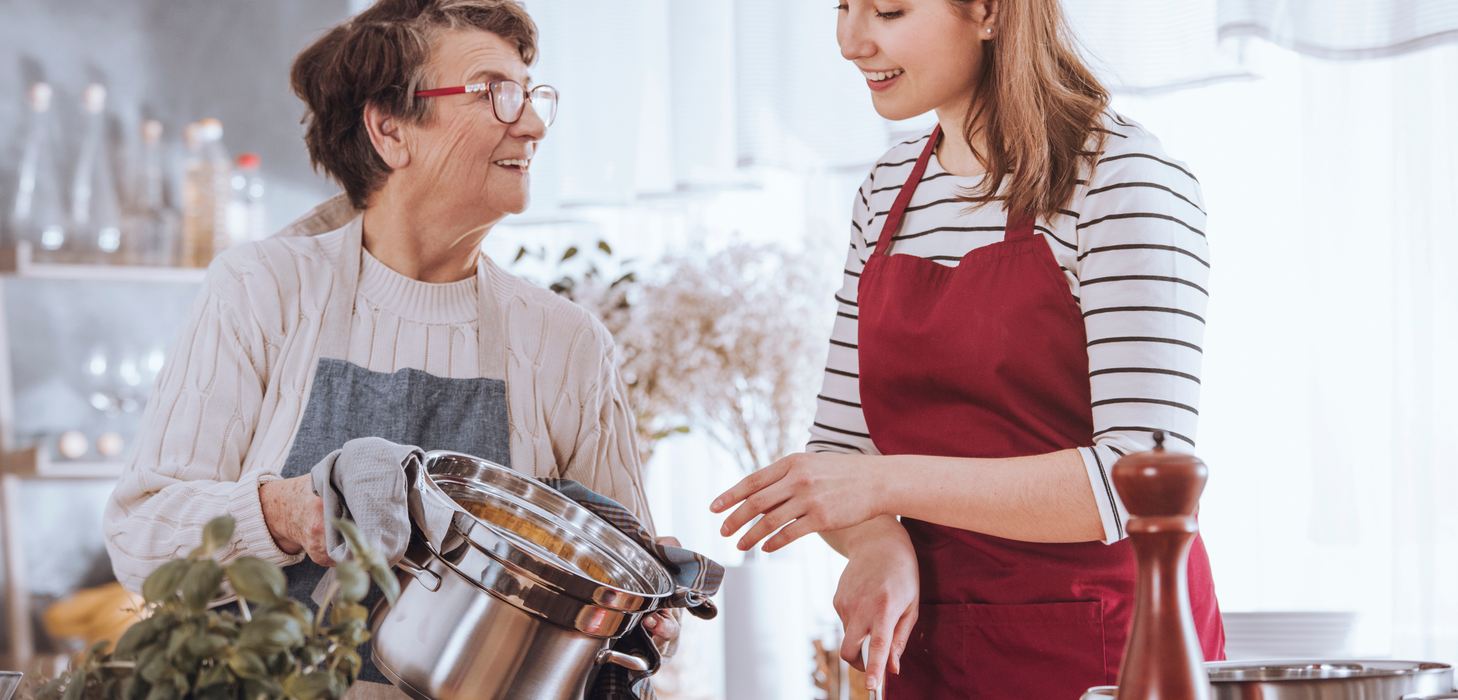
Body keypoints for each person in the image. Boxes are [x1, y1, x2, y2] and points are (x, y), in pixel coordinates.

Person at [103, 0, 678, 696]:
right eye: (494, 94)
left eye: (530, 96)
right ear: (391, 129)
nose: (530, 122)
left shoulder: (565, 342)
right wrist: (289, 512)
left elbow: (623, 592)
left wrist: (644, 607)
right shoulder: (262, 289)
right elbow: (140, 538)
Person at [711, 1, 1224, 698]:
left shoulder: (1124, 181)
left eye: (887, 10)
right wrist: (878, 543)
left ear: (988, 12)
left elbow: (1135, 482)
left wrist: (886, 486)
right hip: (933, 652)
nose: (849, 41)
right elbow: (841, 452)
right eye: (842, 6)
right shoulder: (887, 192)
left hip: (1107, 653)